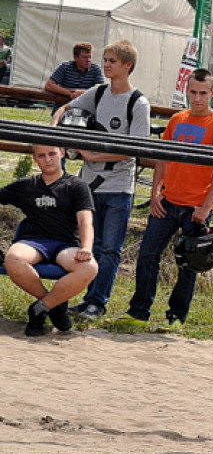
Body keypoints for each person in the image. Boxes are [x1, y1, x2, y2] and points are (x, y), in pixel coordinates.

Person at [122, 68, 213, 330]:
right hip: (168, 200)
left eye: (203, 93)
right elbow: (163, 156)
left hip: (196, 206)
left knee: (189, 264)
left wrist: (207, 206)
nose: (197, 98)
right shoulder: (177, 120)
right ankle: (139, 311)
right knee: (148, 254)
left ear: (212, 94)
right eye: (193, 92)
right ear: (186, 91)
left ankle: (176, 316)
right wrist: (155, 191)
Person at [52, 41, 150, 320]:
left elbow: (136, 149)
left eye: (112, 61)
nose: (105, 65)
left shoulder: (138, 103)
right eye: (105, 60)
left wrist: (94, 155)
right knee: (88, 246)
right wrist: (55, 136)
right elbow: (65, 109)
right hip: (89, 185)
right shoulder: (97, 93)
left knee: (109, 249)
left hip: (119, 186)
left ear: (127, 65)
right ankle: (85, 299)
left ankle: (98, 301)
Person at [0, 145, 97, 337]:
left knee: (89, 267)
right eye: (41, 156)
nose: (48, 159)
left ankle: (40, 308)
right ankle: (53, 306)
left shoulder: (76, 186)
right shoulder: (26, 185)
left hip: (65, 244)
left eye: (52, 154)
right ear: (35, 159)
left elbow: (85, 220)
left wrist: (86, 247)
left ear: (61, 153)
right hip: (33, 241)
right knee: (13, 258)